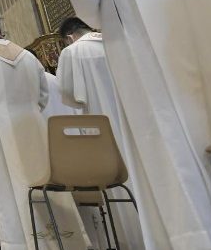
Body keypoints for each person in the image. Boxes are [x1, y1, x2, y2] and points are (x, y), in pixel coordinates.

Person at [59, 0, 211, 249]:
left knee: (168, 140)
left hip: (145, 48)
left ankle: (194, 239)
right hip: (206, 45)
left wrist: (101, 19)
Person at [0, 13, 87, 250]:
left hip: (2, 130)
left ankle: (21, 241)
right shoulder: (28, 56)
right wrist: (30, 110)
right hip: (34, 125)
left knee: (11, 185)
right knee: (45, 180)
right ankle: (63, 238)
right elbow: (43, 94)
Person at [55, 17, 145, 249]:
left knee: (114, 179)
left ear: (69, 37)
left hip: (99, 122)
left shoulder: (73, 52)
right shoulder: (114, 40)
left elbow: (67, 92)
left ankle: (126, 239)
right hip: (135, 119)